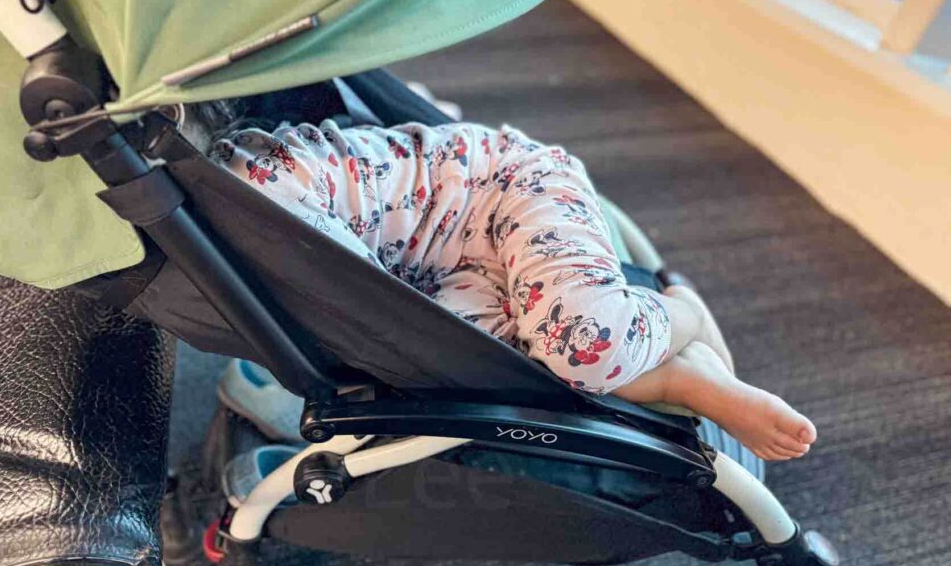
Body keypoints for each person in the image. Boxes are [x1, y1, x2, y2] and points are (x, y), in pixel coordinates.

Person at [193, 99, 817, 461]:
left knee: (583, 347)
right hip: (436, 274)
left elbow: (358, 309)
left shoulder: (256, 189)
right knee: (476, 371)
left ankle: (680, 311)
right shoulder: (224, 208)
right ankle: (678, 373)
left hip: (501, 190)